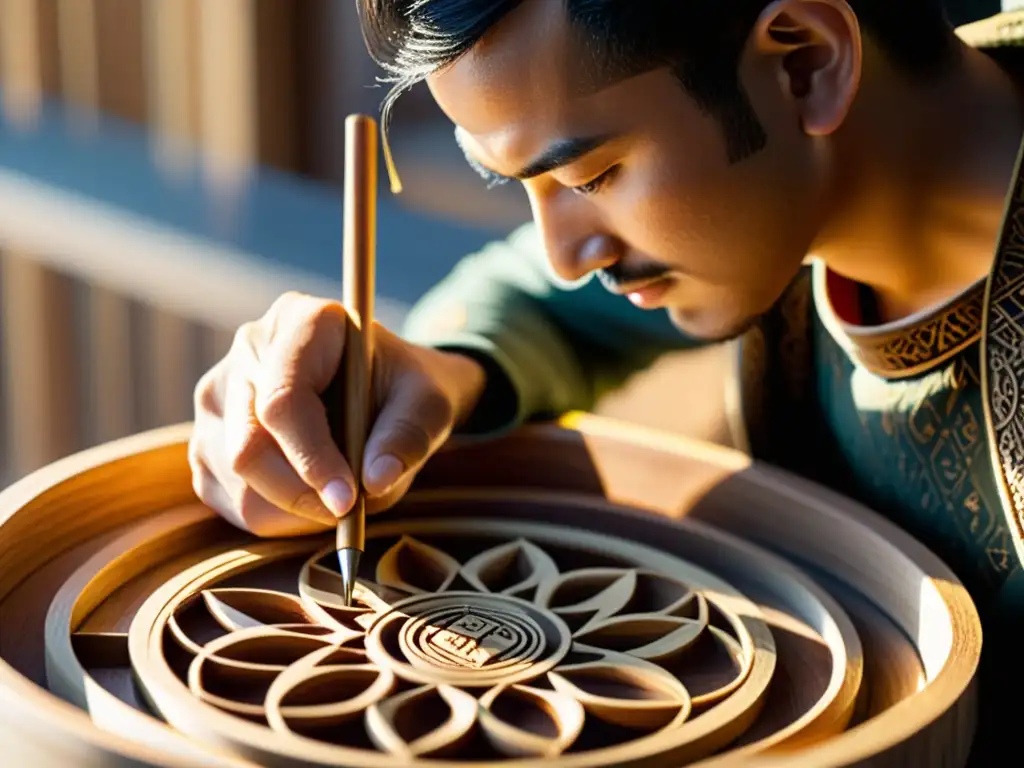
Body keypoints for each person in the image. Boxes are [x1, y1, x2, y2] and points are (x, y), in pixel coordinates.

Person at [189, 1, 1024, 759]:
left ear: (804, 62)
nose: (564, 252)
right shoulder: (774, 205)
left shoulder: (756, 219)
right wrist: (428, 374)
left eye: (590, 178)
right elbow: (529, 295)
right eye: (521, 186)